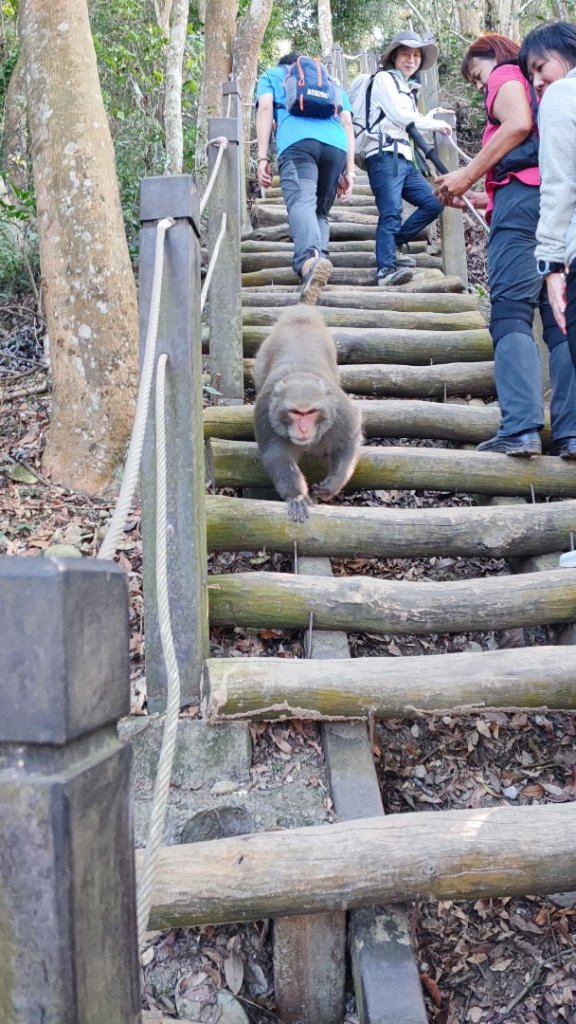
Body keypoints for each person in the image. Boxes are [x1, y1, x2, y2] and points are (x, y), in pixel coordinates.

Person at [435, 33, 576, 458]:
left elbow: (517, 125)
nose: (481, 87)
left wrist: (465, 176)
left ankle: (520, 427)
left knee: (511, 312)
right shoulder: (547, 91)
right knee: (559, 320)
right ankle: (569, 433)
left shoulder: (507, 74)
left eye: (477, 75)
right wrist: (483, 195)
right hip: (551, 204)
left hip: (525, 207)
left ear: (490, 56)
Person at [255, 53, 355, 304]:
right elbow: (347, 122)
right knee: (320, 212)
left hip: (298, 143)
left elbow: (266, 107)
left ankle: (308, 261)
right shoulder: (330, 80)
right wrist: (350, 171)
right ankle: (318, 260)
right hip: (336, 146)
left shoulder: (271, 75)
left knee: (301, 202)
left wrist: (262, 157)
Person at [363, 31, 452, 287]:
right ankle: (386, 270)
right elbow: (400, 116)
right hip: (384, 155)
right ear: (393, 56)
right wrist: (434, 123)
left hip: (405, 157)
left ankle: (394, 245)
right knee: (391, 211)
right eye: (405, 54)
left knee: (433, 203)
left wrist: (432, 119)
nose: (411, 60)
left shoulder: (407, 88)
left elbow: (410, 124)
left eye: (416, 55)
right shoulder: (383, 79)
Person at [520, 22, 576, 396]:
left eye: (541, 67)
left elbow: (559, 184)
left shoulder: (563, 95)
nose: (537, 82)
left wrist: (551, 264)